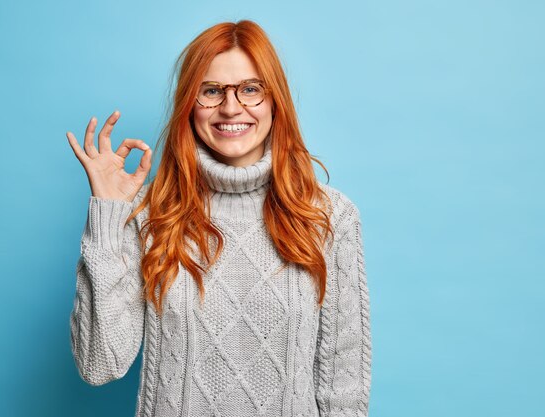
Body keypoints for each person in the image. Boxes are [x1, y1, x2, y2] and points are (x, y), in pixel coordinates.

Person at [66, 19, 371, 417]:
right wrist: (109, 213)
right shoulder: (150, 215)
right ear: (189, 104)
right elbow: (98, 364)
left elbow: (343, 391)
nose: (231, 107)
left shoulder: (328, 216)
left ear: (275, 99)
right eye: (211, 91)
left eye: (250, 89)